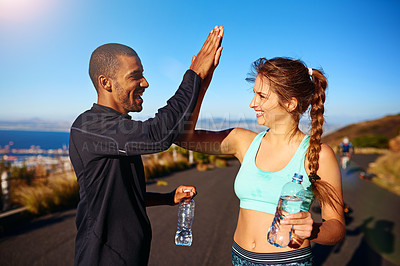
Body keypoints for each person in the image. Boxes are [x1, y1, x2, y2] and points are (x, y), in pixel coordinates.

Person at [69, 26, 224, 265]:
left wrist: (167, 197)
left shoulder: (115, 128)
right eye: (135, 76)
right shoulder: (90, 126)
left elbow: (122, 196)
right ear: (106, 83)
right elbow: (158, 135)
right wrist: (192, 75)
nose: (146, 83)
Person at [175, 57, 345, 265]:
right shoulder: (242, 141)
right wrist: (200, 84)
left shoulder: (318, 155)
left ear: (290, 103)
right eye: (254, 94)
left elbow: (336, 228)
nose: (252, 103)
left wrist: (313, 229)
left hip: (288, 261)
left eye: (262, 96)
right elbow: (184, 137)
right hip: (239, 257)